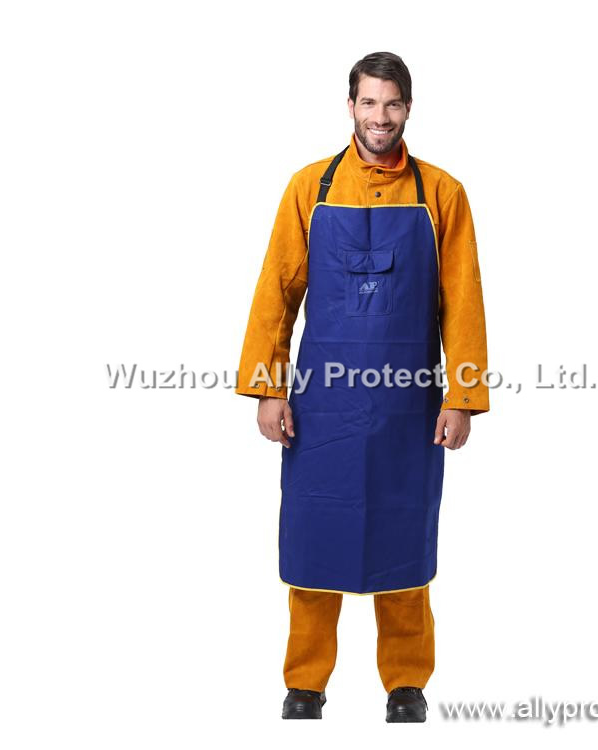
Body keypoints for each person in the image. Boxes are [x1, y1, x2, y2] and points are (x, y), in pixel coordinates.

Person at [235, 51, 489, 722]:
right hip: (322, 407)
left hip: (410, 408)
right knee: (314, 539)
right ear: (350, 106)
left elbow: (463, 302)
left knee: (404, 541)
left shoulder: (442, 195)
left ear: (409, 108)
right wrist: (267, 386)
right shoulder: (309, 190)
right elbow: (277, 292)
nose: (381, 116)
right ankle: (305, 683)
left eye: (392, 103)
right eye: (369, 102)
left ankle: (406, 685)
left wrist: (463, 397)